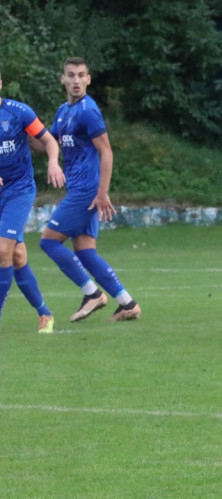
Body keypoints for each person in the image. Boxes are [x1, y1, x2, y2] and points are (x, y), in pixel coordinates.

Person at [39, 57, 140, 322]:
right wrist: (24, 132)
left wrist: (102, 192)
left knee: (48, 241)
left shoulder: (88, 110)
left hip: (86, 191)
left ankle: (92, 293)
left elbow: (106, 151)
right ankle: (127, 303)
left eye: (81, 75)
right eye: (70, 75)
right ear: (63, 79)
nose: (75, 80)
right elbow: (48, 143)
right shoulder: (63, 111)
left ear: (88, 79)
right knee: (85, 252)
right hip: (80, 190)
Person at [0, 68, 65, 333]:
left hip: (19, 189)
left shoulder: (18, 111)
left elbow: (48, 140)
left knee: (2, 250)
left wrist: (53, 162)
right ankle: (45, 314)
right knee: (16, 255)